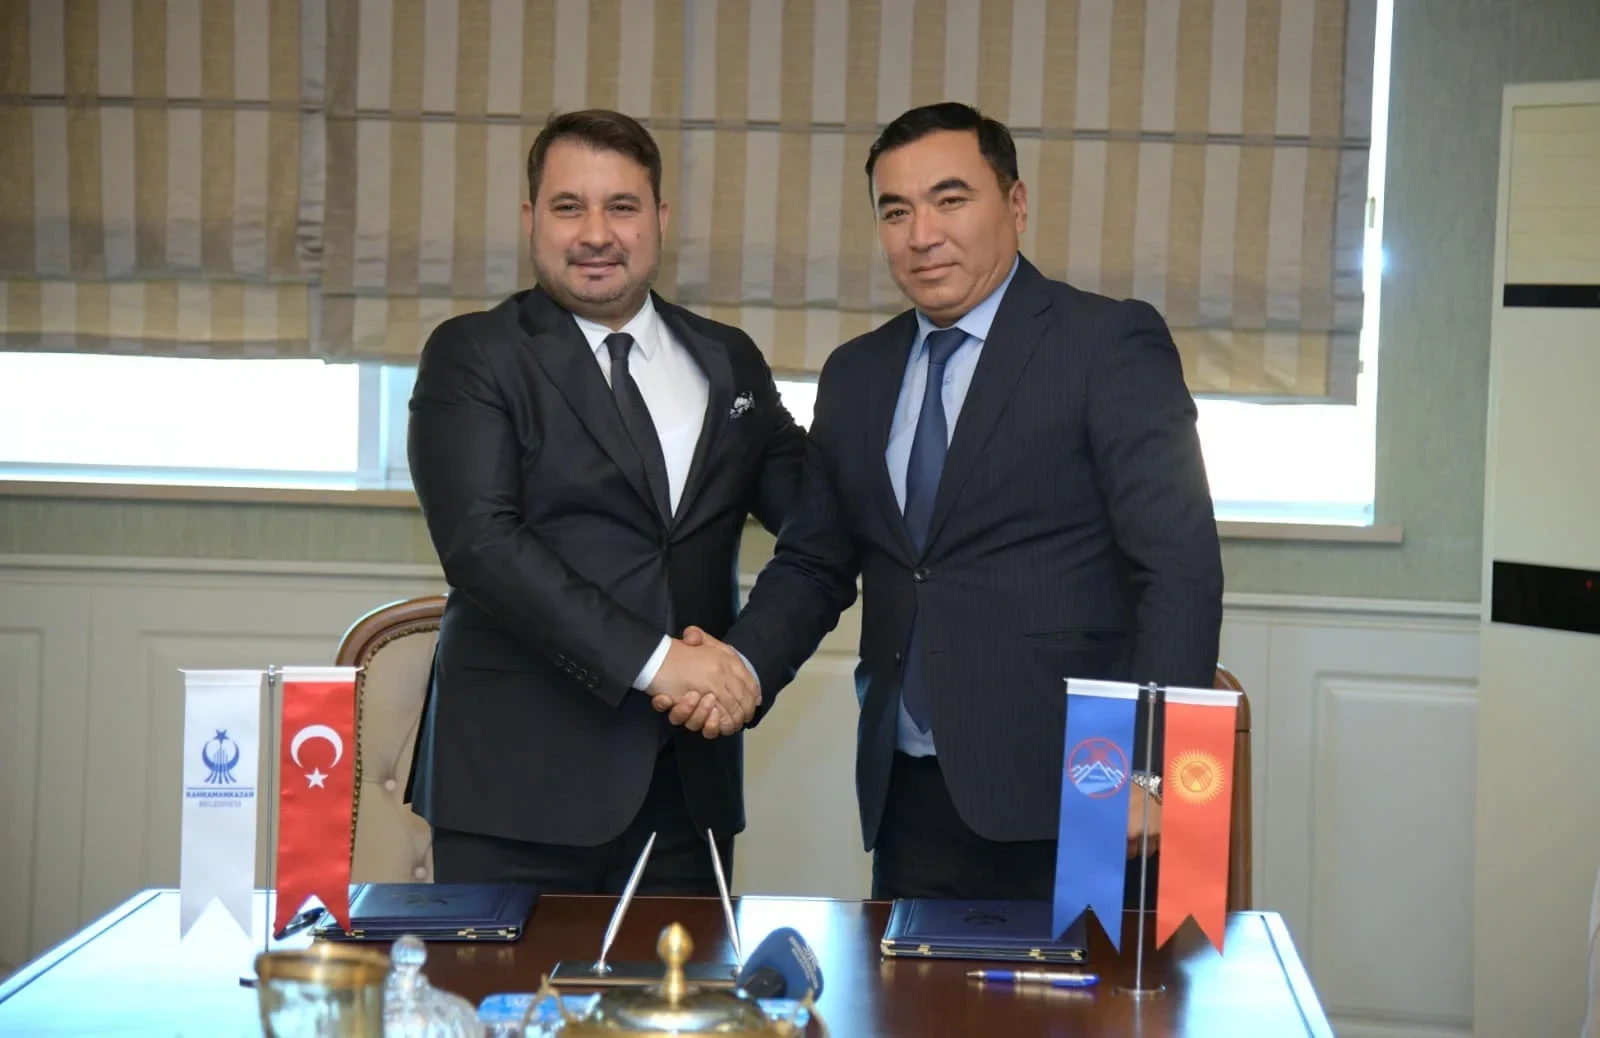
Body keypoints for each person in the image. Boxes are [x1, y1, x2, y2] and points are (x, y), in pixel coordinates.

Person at [660, 102, 1223, 902]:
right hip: (912, 794)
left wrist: (1155, 769)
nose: (922, 234)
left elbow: (1180, 568)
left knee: (1108, 989)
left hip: (1093, 790)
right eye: (896, 211)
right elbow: (816, 561)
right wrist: (741, 666)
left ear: (1016, 204)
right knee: (913, 984)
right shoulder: (857, 374)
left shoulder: (1107, 343)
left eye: (950, 200)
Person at [405, 108, 806, 894]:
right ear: (531, 218)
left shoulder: (728, 358)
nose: (597, 234)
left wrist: (749, 662)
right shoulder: (474, 354)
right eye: (569, 207)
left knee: (681, 983)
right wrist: (662, 664)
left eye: (621, 206)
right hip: (516, 792)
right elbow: (483, 545)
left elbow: (815, 520)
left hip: (688, 792)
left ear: (660, 218)